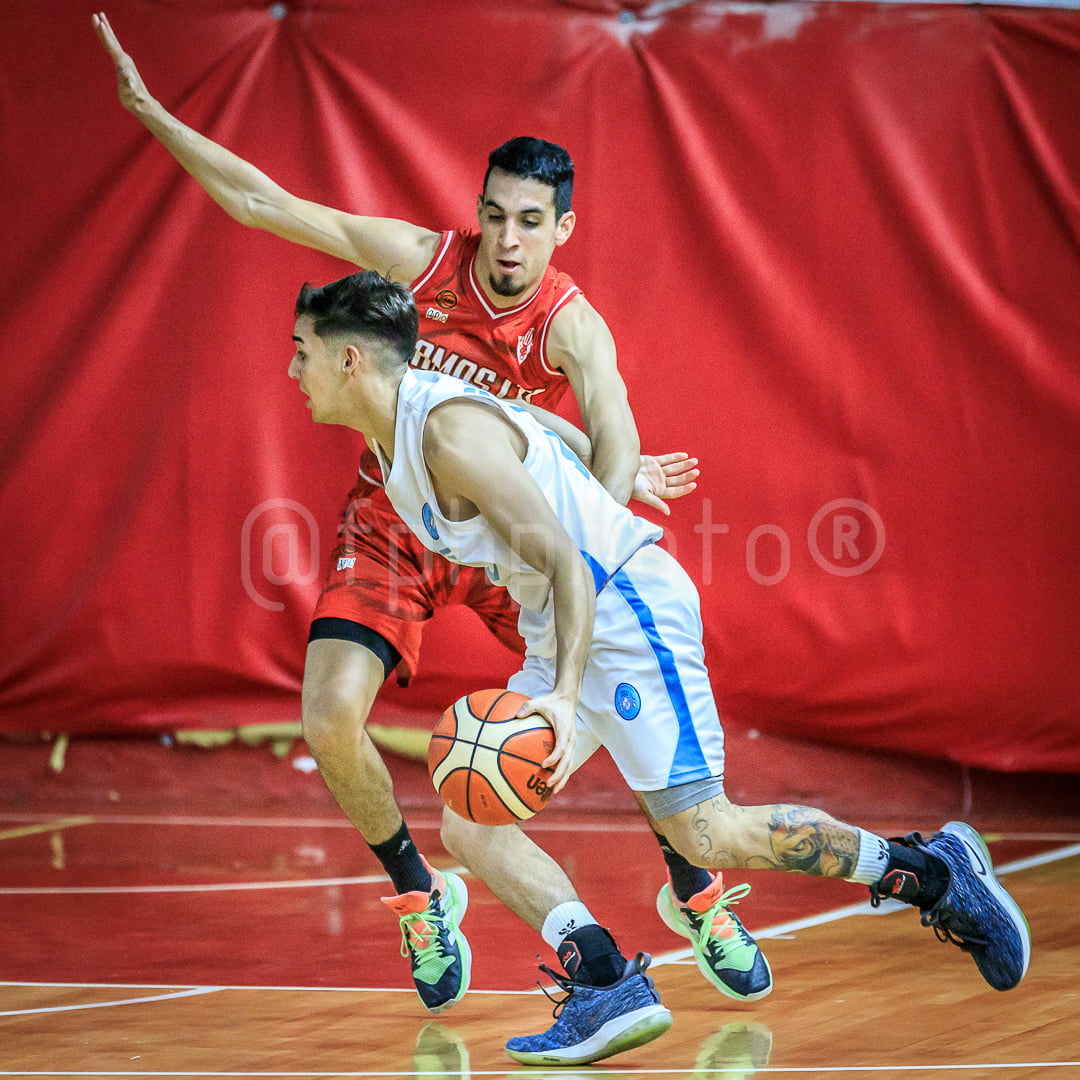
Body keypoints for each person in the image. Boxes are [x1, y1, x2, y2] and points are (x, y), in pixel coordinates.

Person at [92, 12, 772, 1017]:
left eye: (528, 223)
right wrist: (152, 114)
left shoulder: (571, 326)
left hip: (504, 539)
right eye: (493, 215)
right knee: (326, 716)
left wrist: (612, 484)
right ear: (479, 211)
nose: (505, 240)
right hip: (396, 526)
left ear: (561, 229)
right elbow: (259, 200)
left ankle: (694, 887)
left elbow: (615, 428)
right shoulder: (420, 262)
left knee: (608, 683)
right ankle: (420, 890)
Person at [288, 268, 1031, 1065]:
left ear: (351, 359)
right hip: (568, 623)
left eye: (302, 352)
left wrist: (566, 697)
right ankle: (605, 982)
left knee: (707, 833)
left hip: (621, 611)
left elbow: (568, 560)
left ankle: (935, 872)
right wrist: (606, 471)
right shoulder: (406, 424)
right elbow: (530, 420)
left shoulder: (443, 436)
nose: (293, 371)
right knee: (471, 822)